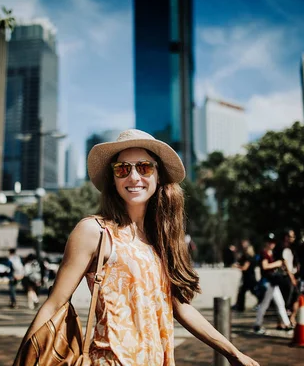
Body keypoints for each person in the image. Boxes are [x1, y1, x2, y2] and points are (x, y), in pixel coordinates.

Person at [22, 129, 259, 366]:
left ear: (158, 175)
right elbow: (54, 304)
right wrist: (25, 359)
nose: (134, 177)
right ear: (113, 178)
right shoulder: (95, 231)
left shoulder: (159, 240)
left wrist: (233, 353)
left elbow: (181, 308)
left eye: (144, 167)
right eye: (122, 169)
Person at [253, 234, 293, 334]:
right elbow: (265, 266)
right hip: (267, 283)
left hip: (273, 283)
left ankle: (287, 324)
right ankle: (257, 325)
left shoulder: (271, 253)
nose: (272, 244)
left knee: (280, 303)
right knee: (265, 305)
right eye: (270, 242)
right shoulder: (264, 253)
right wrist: (277, 264)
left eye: (273, 242)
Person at [277, 229, 300, 326]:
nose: (292, 239)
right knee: (286, 300)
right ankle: (281, 322)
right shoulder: (283, 249)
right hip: (287, 277)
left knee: (296, 297)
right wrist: (292, 278)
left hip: (293, 276)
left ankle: (291, 318)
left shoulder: (293, 249)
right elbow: (285, 264)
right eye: (290, 236)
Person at [232, 244, 258, 312]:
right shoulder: (250, 257)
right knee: (244, 292)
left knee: (249, 292)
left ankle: (240, 307)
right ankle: (239, 306)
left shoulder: (249, 258)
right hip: (249, 278)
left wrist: (237, 266)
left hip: (249, 278)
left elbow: (244, 268)